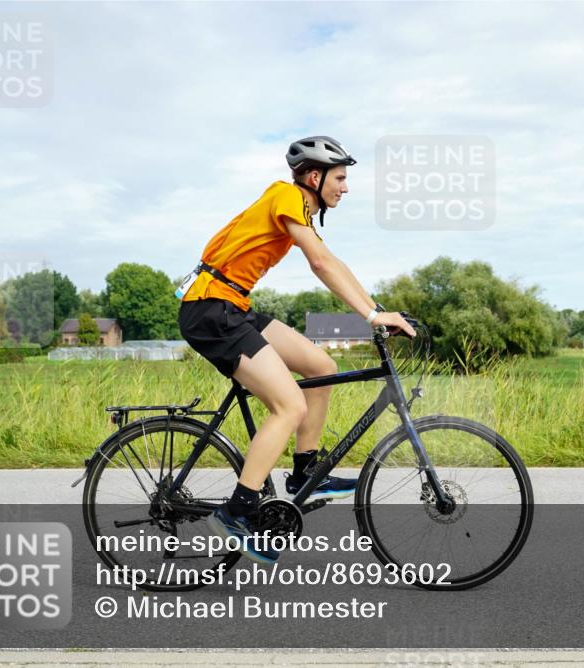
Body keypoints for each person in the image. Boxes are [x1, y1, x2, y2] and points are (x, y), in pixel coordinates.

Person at [176, 136, 416, 564]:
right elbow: (320, 264)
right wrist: (373, 317)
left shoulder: (298, 209)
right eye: (340, 178)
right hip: (211, 311)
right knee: (289, 406)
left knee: (320, 365)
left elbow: (330, 260)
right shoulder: (287, 196)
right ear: (313, 176)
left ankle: (307, 471)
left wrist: (377, 310)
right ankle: (237, 511)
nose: (345, 187)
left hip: (232, 306)